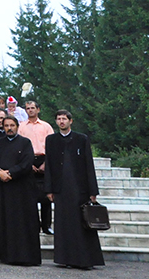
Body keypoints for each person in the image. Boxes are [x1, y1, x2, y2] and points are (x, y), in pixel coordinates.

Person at [44, 109, 104, 269]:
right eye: (58, 119)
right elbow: (48, 166)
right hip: (60, 189)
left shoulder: (81, 139)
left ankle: (85, 259)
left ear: (71, 121)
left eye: (64, 119)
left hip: (80, 189)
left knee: (82, 224)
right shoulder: (51, 140)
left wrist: (93, 191)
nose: (61, 121)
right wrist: (49, 189)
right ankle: (65, 258)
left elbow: (88, 165)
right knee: (63, 224)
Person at [0, 115, 41, 266]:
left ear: (17, 126)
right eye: (6, 126)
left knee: (24, 222)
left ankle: (27, 257)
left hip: (22, 190)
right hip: (4, 189)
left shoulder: (25, 143)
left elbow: (27, 163)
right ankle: (8, 256)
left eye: (12, 125)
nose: (9, 128)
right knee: (7, 221)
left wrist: (11, 173)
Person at [19, 99, 55, 235]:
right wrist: (29, 164)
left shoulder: (46, 126)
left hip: (44, 160)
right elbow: (20, 147)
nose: (30, 110)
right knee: (30, 197)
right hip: (29, 161)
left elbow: (52, 146)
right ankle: (33, 225)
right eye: (27, 108)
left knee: (46, 196)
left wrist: (46, 163)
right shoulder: (21, 126)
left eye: (32, 108)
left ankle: (46, 226)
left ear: (38, 109)